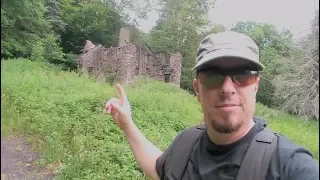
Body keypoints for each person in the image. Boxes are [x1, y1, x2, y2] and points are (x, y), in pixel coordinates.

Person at [104, 31, 319, 180]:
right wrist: (127, 124)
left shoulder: (289, 165)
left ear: (255, 86)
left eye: (243, 74)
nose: (227, 88)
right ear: (197, 89)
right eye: (213, 74)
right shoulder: (186, 143)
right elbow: (159, 170)